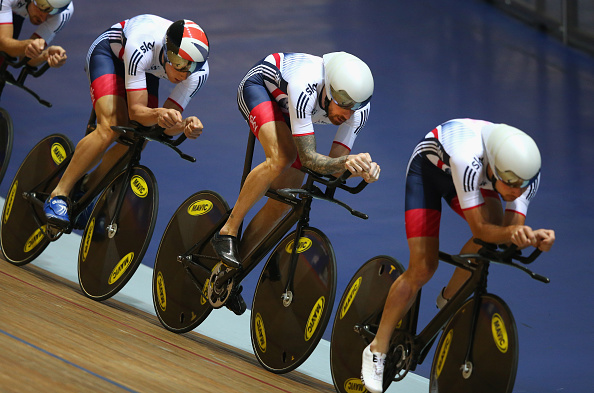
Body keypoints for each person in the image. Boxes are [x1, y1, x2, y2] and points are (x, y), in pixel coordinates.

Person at [360, 119, 556, 393]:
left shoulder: (525, 177)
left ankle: (448, 300)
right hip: (428, 173)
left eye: (522, 186)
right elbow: (481, 230)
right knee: (422, 268)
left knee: (497, 229)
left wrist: (533, 239)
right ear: (494, 168)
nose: (516, 191)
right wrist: (516, 234)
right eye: (510, 183)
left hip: (473, 180)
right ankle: (376, 347)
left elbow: (511, 233)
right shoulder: (468, 157)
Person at [209, 51, 381, 314]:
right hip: (260, 89)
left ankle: (228, 275)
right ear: (329, 90)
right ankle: (228, 230)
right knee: (282, 157)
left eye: (353, 108)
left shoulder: (358, 111)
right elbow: (311, 159)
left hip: (288, 111)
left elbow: (334, 166)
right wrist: (345, 163)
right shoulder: (306, 82)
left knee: (284, 202)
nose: (347, 115)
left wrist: (361, 169)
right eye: (343, 105)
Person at [43, 14, 210, 228]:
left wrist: (185, 125)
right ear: (168, 53)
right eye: (179, 64)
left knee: (139, 139)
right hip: (111, 56)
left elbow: (162, 127)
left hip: (148, 71)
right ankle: (59, 194)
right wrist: (159, 115)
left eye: (192, 66)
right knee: (110, 127)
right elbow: (136, 112)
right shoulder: (144, 43)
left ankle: (86, 190)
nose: (185, 74)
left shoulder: (198, 73)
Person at [0, 0, 73, 68]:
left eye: (53, 12)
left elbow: (25, 59)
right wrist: (26, 45)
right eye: (42, 6)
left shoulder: (64, 12)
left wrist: (45, 55)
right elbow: (2, 44)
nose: (43, 19)